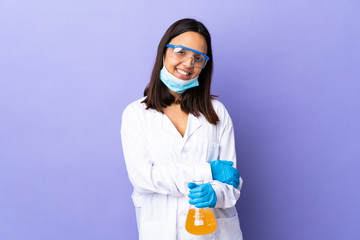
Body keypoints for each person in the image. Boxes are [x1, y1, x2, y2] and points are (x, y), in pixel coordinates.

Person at [121, 18, 243, 240]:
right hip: (162, 231)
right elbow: (143, 178)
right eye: (180, 52)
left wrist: (215, 194)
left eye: (198, 58)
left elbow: (232, 182)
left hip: (215, 233)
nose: (188, 64)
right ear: (164, 51)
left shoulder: (216, 112)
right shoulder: (136, 114)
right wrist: (209, 171)